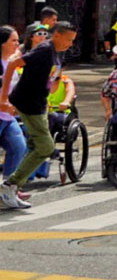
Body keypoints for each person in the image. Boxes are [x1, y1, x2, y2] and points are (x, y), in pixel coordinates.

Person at [0, 21, 77, 209]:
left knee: (34, 146)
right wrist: (4, 99)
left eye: (72, 40)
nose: (70, 43)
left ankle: (12, 188)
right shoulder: (44, 50)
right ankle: (10, 184)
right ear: (57, 35)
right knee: (45, 147)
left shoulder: (57, 52)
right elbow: (12, 65)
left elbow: (49, 79)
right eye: (68, 39)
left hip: (40, 105)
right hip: (27, 103)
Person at [0, 27, 29, 200]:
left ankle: (8, 189)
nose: (17, 44)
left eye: (18, 40)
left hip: (8, 117)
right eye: (13, 40)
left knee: (19, 147)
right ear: (2, 43)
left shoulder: (13, 62)